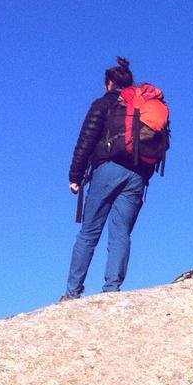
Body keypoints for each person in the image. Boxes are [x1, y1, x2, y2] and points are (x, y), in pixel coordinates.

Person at [61, 57, 147, 299]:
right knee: (121, 233)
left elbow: (86, 140)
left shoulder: (103, 104)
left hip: (107, 170)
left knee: (89, 232)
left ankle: (72, 292)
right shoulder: (141, 108)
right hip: (137, 175)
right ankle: (112, 290)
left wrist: (75, 176)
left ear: (109, 83)